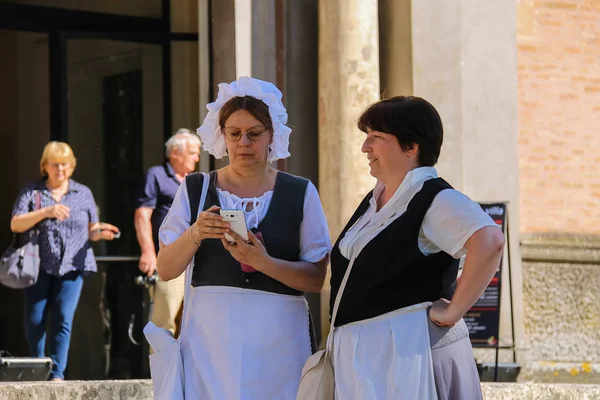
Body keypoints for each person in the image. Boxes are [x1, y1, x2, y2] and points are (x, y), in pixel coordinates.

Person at [156, 77, 331, 399]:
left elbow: (316, 279)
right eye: (234, 134)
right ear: (222, 136)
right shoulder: (195, 188)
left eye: (254, 134)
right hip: (210, 336)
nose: (244, 143)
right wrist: (195, 234)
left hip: (279, 336)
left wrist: (262, 262)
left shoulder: (300, 191)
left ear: (271, 135)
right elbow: (165, 269)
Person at [328, 96, 505, 399]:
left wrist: (454, 310)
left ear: (412, 147)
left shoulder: (434, 198)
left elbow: (489, 240)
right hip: (369, 361)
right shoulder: (377, 199)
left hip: (404, 355)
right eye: (366, 136)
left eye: (377, 137)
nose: (365, 147)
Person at [10, 141, 119, 381]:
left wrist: (101, 232)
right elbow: (15, 223)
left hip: (73, 264)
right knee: (35, 318)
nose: (60, 169)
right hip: (38, 265)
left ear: (71, 167)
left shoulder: (83, 193)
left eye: (65, 165)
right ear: (45, 166)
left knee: (63, 318)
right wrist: (46, 212)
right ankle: (37, 368)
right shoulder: (33, 192)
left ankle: (57, 373)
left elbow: (91, 230)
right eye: (55, 164)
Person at [134, 128, 200, 336]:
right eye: (192, 153)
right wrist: (148, 252)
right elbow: (142, 215)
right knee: (165, 323)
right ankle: (160, 369)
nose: (197, 158)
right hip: (169, 260)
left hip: (197, 262)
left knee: (193, 326)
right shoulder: (157, 175)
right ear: (174, 153)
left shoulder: (196, 181)